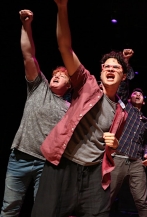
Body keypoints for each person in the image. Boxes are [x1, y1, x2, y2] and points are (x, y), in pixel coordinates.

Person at [31, 0, 128, 216]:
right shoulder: (87, 83)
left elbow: (111, 145)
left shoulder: (121, 111)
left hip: (94, 173)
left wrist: (114, 143)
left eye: (116, 67)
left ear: (123, 75)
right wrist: (62, 7)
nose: (111, 69)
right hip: (62, 165)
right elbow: (64, 47)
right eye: (107, 66)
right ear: (101, 71)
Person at [0, 9, 71, 217]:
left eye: (62, 75)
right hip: (19, 157)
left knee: (42, 212)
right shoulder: (39, 87)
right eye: (55, 74)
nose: (56, 76)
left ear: (69, 85)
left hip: (46, 165)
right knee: (9, 208)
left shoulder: (70, 108)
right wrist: (26, 25)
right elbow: (28, 54)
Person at [109, 86, 147, 217]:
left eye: (140, 94)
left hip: (136, 162)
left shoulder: (145, 121)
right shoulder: (125, 109)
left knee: (142, 201)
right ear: (129, 98)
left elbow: (144, 141)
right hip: (119, 157)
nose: (138, 95)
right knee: (107, 197)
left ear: (144, 101)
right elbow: (120, 91)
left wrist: (146, 153)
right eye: (135, 93)